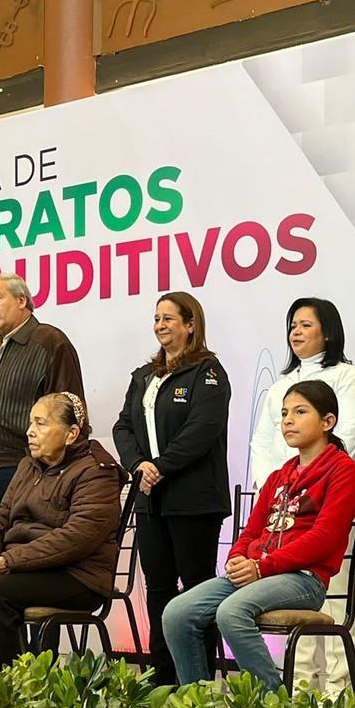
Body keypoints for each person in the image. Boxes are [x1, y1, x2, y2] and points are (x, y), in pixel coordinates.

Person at [164, 381, 355, 689]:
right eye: (284, 413)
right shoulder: (278, 476)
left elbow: (325, 537)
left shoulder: (343, 470)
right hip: (259, 573)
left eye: (300, 412)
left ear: (328, 422)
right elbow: (252, 530)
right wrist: (237, 558)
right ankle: (198, 707)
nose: (288, 420)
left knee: (232, 612)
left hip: (304, 579)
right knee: (177, 613)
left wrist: (261, 566)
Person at [0, 393, 125, 673]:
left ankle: (4, 697)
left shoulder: (96, 470)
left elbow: (77, 537)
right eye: (30, 423)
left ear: (71, 434)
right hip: (22, 568)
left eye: (41, 423)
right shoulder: (28, 466)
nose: (29, 431)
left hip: (76, 576)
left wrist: (9, 561)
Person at [249, 297, 355, 693]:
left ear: (328, 331)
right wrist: (277, 489)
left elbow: (348, 435)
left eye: (306, 324)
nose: (296, 332)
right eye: (293, 325)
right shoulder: (279, 386)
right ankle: (301, 688)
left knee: (330, 598)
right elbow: (262, 442)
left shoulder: (348, 376)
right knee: (288, 599)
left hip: (325, 496)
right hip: (283, 504)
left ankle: (336, 691)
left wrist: (309, 484)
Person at [113, 292, 230, 686]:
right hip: (151, 500)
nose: (161, 325)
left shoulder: (208, 373)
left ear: (190, 324)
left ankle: (197, 679)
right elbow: (122, 427)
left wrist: (160, 467)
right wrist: (138, 466)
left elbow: (201, 430)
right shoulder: (143, 377)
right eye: (157, 319)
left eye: (169, 318)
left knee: (197, 592)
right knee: (159, 589)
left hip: (194, 500)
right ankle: (162, 674)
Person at [0, 272, 84, 518]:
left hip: (29, 467)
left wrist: (52, 470)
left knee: (26, 549)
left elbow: (69, 409)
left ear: (21, 301)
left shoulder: (50, 341)